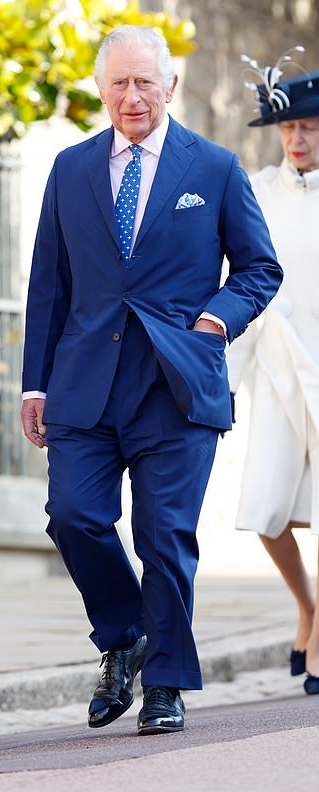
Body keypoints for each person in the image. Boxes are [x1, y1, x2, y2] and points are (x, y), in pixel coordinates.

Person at [21, 25, 282, 736]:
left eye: (145, 83)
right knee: (73, 517)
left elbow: (260, 269)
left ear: (170, 87)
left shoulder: (216, 168)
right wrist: (34, 385)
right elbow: (49, 284)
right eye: (119, 84)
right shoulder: (70, 169)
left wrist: (214, 322)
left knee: (165, 537)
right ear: (101, 90)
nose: (132, 97)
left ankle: (165, 684)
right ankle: (126, 635)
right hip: (84, 384)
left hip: (176, 385)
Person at [227, 54, 319, 695]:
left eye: (310, 127)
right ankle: (307, 607)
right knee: (267, 511)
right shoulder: (256, 190)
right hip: (276, 364)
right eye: (289, 129)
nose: (298, 139)